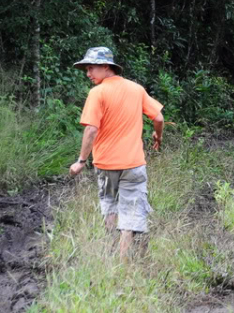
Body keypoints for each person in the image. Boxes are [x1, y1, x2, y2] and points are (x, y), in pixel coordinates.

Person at [69, 46, 164, 258]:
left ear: (105, 67)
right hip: (133, 164)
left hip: (105, 164)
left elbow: (91, 129)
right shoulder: (136, 89)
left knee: (109, 205)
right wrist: (158, 137)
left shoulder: (97, 93)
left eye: (91, 68)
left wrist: (81, 161)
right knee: (131, 211)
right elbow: (158, 118)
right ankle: (123, 259)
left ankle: (110, 250)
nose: (88, 74)